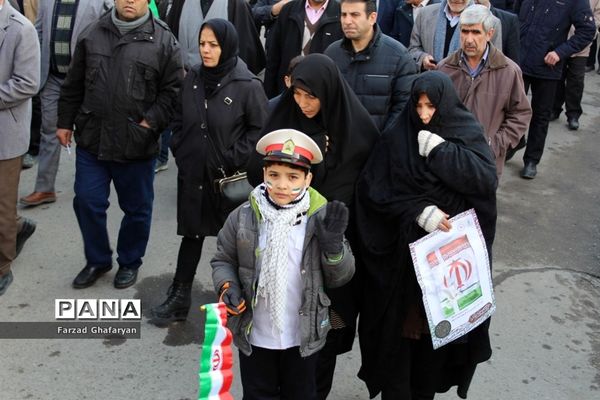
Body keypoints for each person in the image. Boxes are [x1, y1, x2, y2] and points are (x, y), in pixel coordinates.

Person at [355, 71, 498, 399]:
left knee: (430, 364)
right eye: (418, 106)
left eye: (431, 106)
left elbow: (484, 182)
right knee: (398, 359)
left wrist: (440, 152)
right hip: (401, 277)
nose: (423, 114)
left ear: (445, 104)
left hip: (445, 278)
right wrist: (417, 211)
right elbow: (373, 191)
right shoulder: (397, 136)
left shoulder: (464, 132)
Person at [247, 53, 379, 399]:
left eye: (312, 96)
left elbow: (366, 195)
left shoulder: (358, 131)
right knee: (276, 334)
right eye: (298, 94)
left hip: (332, 260)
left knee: (322, 340)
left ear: (330, 93)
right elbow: (254, 171)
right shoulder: (283, 120)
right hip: (279, 255)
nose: (303, 104)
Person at [211, 128, 355, 400]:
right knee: (257, 394)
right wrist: (227, 284)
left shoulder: (320, 219)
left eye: (293, 177)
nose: (282, 185)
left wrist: (334, 246)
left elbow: (341, 277)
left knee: (300, 394)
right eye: (274, 175)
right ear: (264, 173)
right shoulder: (242, 216)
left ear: (308, 178)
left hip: (302, 337)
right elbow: (223, 259)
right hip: (256, 334)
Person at [56, 0, 183, 289]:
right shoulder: (92, 33)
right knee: (87, 201)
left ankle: (130, 261)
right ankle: (98, 260)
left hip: (135, 145)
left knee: (137, 209)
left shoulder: (163, 40)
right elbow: (73, 83)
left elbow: (173, 93)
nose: (129, 0)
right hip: (93, 140)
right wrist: (64, 122)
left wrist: (149, 123)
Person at [150, 19, 268, 324]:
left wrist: (231, 158)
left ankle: (241, 301)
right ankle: (179, 297)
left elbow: (259, 132)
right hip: (194, 176)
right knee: (192, 235)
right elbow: (179, 117)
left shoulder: (247, 85)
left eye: (213, 44)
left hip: (229, 181)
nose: (206, 50)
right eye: (202, 43)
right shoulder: (192, 78)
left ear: (226, 45)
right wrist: (181, 147)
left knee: (240, 243)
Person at [19, 0, 112, 207]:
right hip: (52, 76)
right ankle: (44, 188)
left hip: (87, 79)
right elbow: (39, 32)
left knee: (88, 134)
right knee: (49, 131)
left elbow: (110, 34)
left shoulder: (99, 2)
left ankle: (90, 188)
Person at [437, 4, 531, 177]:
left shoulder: (508, 71)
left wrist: (494, 145)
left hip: (486, 165)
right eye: (465, 32)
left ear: (489, 34)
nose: (469, 39)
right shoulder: (444, 69)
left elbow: (520, 114)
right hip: (449, 162)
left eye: (476, 32)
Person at [515, 0, 595, 179]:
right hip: (520, 61)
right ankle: (514, 143)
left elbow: (588, 30)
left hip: (547, 67)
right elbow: (515, 15)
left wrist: (560, 52)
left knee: (541, 115)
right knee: (511, 109)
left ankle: (532, 160)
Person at [325, 0, 417, 131]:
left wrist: (383, 142)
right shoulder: (331, 53)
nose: (347, 21)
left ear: (372, 18)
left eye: (355, 15)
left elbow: (403, 109)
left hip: (378, 145)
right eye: (344, 15)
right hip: (337, 144)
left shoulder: (399, 56)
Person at [0, 0, 40, 295]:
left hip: (6, 136)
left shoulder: (21, 28)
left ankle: (3, 267)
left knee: (1, 206)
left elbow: (27, 84)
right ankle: (19, 226)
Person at [263, 0, 344, 98]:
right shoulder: (289, 10)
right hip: (287, 90)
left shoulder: (341, 12)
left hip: (322, 93)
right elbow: (274, 56)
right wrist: (268, 94)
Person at [163, 0, 265, 74]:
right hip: (185, 80)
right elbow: (170, 42)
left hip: (224, 84)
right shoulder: (180, 3)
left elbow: (246, 52)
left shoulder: (236, 5)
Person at [409, 0, 502, 71]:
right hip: (431, 88)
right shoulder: (425, 14)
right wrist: (422, 59)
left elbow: (493, 63)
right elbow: (413, 49)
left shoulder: (491, 22)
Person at [552, 0, 600, 130]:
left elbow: (597, 14)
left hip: (581, 45)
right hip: (559, 42)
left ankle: (573, 114)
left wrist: (593, 29)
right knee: (558, 77)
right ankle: (555, 108)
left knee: (576, 80)